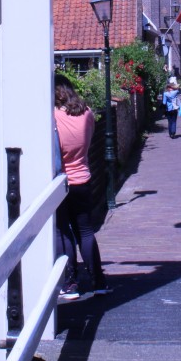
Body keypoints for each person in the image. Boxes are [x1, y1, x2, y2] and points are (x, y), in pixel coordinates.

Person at [54, 74, 110, 300]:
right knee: (86, 231)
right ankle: (98, 281)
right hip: (83, 178)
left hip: (61, 180)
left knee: (63, 231)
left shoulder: (53, 116)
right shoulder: (86, 113)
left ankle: (70, 283)